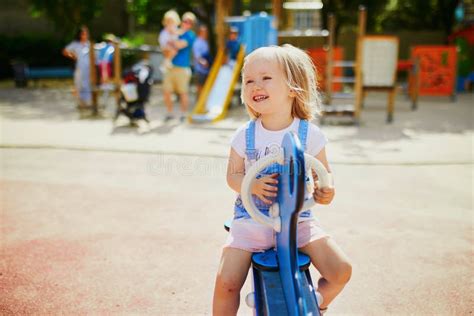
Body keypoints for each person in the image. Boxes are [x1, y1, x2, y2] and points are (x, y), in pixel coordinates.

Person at [212, 45, 352, 315]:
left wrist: (326, 189)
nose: (255, 85)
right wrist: (249, 184)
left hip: (298, 221)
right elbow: (232, 175)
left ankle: (315, 303)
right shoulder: (245, 135)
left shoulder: (309, 134)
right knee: (226, 282)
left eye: (266, 78)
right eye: (249, 80)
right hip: (252, 220)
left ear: (293, 87)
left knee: (341, 270)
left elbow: (324, 173)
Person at [162, 11, 196, 122]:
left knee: (183, 92)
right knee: (166, 91)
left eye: (189, 22)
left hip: (182, 68)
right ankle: (169, 113)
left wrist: (170, 41)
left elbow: (178, 45)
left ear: (192, 25)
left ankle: (183, 114)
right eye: (185, 21)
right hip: (170, 67)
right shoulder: (178, 32)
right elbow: (166, 46)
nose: (186, 23)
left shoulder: (190, 35)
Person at [63, 26, 92, 109]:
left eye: (86, 34)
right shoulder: (75, 44)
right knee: (78, 85)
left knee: (87, 85)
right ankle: (79, 103)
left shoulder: (89, 44)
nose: (85, 36)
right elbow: (65, 51)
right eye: (83, 34)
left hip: (88, 69)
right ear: (80, 35)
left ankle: (88, 103)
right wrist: (73, 56)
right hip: (79, 68)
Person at [158, 10, 180, 74]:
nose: (170, 23)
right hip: (166, 44)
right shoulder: (165, 30)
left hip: (172, 45)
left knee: (173, 52)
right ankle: (166, 64)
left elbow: (176, 36)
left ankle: (166, 64)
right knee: (170, 52)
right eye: (168, 21)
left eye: (171, 21)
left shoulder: (175, 28)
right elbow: (163, 39)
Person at [192, 25, 211, 97]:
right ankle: (199, 102)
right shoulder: (197, 42)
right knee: (200, 86)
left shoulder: (205, 42)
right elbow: (197, 56)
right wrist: (203, 62)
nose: (206, 33)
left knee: (205, 87)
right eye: (204, 32)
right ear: (200, 32)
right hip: (200, 69)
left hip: (206, 69)